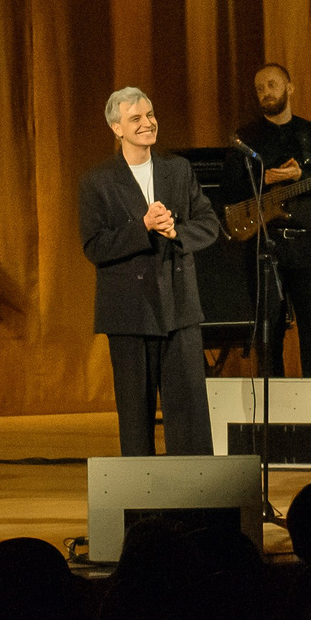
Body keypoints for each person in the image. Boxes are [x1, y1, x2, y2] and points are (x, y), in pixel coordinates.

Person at [81, 86, 222, 456]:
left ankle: (194, 501)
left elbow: (209, 223)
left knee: (189, 415)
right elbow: (94, 246)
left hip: (179, 310)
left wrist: (177, 231)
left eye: (150, 114)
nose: (147, 123)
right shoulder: (97, 181)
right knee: (135, 419)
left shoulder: (178, 169)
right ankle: (142, 508)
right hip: (129, 313)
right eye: (136, 118)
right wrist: (142, 226)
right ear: (116, 128)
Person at [236, 61, 311, 378]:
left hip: (307, 247)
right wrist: (262, 179)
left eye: (272, 85)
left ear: (289, 88)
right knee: (269, 338)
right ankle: (275, 421)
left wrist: (300, 175)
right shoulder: (246, 137)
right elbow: (228, 188)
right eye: (260, 88)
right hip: (264, 250)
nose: (266, 92)